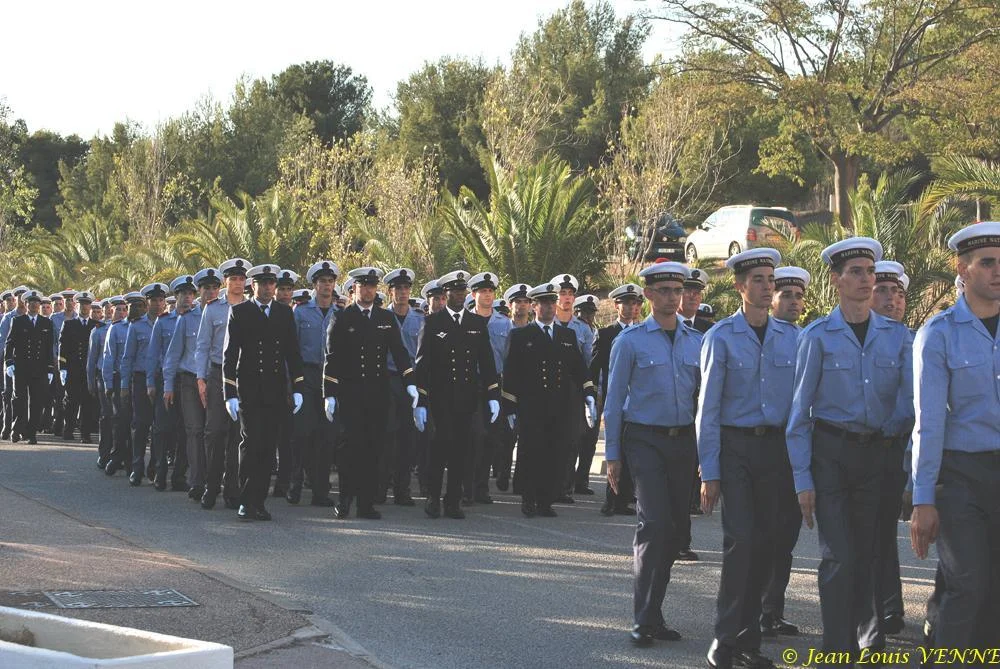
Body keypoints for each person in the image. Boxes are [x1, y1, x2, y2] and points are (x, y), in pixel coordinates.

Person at [786, 237, 913, 662]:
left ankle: (870, 634)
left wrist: (890, 438)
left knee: (872, 550)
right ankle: (837, 646)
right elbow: (799, 414)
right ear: (837, 280)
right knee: (837, 554)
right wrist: (803, 479)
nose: (865, 280)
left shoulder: (897, 337)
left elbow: (910, 402)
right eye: (855, 272)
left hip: (877, 456)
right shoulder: (818, 336)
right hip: (832, 454)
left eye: (869, 272)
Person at [698, 248, 798, 669]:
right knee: (741, 541)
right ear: (740, 287)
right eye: (757, 279)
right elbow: (708, 410)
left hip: (777, 452)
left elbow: (801, 405)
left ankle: (749, 639)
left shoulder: (794, 337)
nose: (766, 286)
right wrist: (710, 471)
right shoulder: (720, 336)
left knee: (769, 545)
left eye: (769, 279)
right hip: (736, 448)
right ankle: (724, 640)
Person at [911, 221, 1000, 654]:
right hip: (960, 475)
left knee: (995, 591)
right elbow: (928, 422)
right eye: (987, 263)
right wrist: (923, 499)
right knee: (968, 584)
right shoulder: (938, 334)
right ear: (961, 269)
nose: (997, 271)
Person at [603, 261, 702, 646]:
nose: (672, 298)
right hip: (644, 440)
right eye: (663, 291)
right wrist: (612, 456)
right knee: (655, 523)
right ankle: (643, 618)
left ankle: (654, 613)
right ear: (647, 295)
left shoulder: (696, 341)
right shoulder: (629, 342)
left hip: (683, 442)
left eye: (677, 291)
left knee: (676, 531)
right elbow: (613, 403)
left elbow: (706, 402)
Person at [323, 267, 416, 520]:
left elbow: (399, 351)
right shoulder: (342, 318)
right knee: (349, 449)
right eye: (363, 286)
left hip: (378, 392)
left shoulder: (386, 318)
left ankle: (366, 503)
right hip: (350, 392)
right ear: (354, 289)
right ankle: (344, 500)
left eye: (372, 286)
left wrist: (410, 380)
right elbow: (332, 358)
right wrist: (329, 393)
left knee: (374, 448)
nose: (368, 291)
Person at [504, 281, 596, 517]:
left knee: (556, 453)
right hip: (532, 406)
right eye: (543, 304)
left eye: (551, 303)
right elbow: (512, 372)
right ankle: (529, 498)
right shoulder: (522, 335)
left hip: (559, 404)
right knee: (531, 452)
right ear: (535, 306)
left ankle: (546, 500)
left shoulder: (566, 335)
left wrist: (589, 394)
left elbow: (578, 367)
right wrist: (510, 405)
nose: (548, 308)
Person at [413, 270, 500, 520]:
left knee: (462, 451)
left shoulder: (476, 324)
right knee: (440, 448)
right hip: (440, 399)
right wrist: (420, 400)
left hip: (467, 398)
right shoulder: (433, 323)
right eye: (454, 291)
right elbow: (422, 365)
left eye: (462, 291)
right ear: (446, 294)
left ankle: (453, 500)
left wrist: (493, 395)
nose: (459, 295)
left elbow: (486, 362)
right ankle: (433, 497)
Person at [223, 263, 304, 521]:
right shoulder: (240, 312)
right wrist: (230, 393)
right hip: (249, 390)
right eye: (263, 283)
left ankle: (259, 500)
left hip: (275, 390)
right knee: (251, 444)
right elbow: (230, 355)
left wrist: (299, 387)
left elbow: (292, 352)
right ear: (253, 285)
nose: (268, 287)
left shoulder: (284, 313)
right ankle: (245, 500)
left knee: (269, 448)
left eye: (272, 283)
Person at [760, 266, 810, 638]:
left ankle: (772, 610)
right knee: (760, 534)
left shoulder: (808, 338)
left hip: (796, 448)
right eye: (786, 295)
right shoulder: (760, 336)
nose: (794, 302)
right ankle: (752, 608)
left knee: (786, 536)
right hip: (763, 445)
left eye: (798, 296)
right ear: (772, 298)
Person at [864, 261, 912, 643]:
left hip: (894, 446)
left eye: (898, 293)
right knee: (867, 533)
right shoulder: (858, 336)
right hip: (858, 447)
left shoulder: (911, 339)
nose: (892, 300)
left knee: (882, 531)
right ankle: (877, 607)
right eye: (884, 291)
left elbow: (911, 401)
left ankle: (889, 606)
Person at [196, 257, 249, 511]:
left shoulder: (251, 308)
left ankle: (232, 489)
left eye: (241, 279)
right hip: (217, 375)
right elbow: (202, 346)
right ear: (225, 282)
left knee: (237, 435)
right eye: (233, 279)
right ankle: (211, 486)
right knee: (214, 432)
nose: (237, 283)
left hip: (242, 377)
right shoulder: (213, 309)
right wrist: (200, 378)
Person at [288, 260, 340, 507]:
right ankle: (294, 483)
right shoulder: (300, 312)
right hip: (306, 377)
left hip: (330, 379)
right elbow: (292, 350)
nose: (326, 286)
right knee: (302, 434)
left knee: (326, 436)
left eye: (330, 282)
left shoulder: (339, 313)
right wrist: (293, 384)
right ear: (315, 285)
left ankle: (320, 491)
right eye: (322, 282)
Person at [163, 269, 217, 502]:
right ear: (200, 293)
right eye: (206, 289)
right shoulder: (186, 319)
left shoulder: (224, 313)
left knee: (214, 432)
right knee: (194, 431)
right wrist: (167, 385)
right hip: (189, 380)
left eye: (214, 287)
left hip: (215, 380)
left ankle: (214, 478)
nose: (210, 292)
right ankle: (197, 481)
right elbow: (173, 355)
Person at [464, 271, 512, 505]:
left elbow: (510, 358)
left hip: (496, 384)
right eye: (483, 291)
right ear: (474, 295)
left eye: (491, 291)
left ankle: (481, 488)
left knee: (491, 437)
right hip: (469, 383)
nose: (487, 295)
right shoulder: (464, 320)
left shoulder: (505, 323)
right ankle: (467, 486)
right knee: (472, 436)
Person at [594, 283, 642, 517]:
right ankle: (610, 499)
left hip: (635, 400)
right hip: (614, 397)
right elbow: (595, 369)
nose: (631, 307)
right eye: (626, 303)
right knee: (613, 450)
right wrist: (593, 397)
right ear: (616, 305)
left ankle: (625, 499)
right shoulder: (605, 334)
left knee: (630, 451)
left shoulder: (643, 333)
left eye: (634, 303)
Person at [549, 273, 593, 505]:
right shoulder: (547, 324)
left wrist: (589, 394)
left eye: (570, 294)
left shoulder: (583, 329)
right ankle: (548, 483)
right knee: (550, 437)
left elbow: (588, 363)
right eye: (562, 294)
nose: (566, 298)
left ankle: (565, 486)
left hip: (573, 390)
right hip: (549, 388)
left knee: (572, 439)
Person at [381, 267, 423, 506]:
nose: (403, 292)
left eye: (406, 288)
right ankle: (380, 487)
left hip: (411, 383)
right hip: (386, 379)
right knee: (386, 435)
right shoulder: (381, 317)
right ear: (390, 292)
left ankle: (402, 489)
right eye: (398, 288)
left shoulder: (419, 319)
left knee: (408, 437)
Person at [121, 283, 168, 486]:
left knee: (160, 426)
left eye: (160, 301)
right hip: (140, 379)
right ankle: (137, 466)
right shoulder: (136, 326)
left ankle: (156, 468)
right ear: (146, 303)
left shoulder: (170, 322)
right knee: (140, 424)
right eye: (153, 301)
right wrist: (124, 384)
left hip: (163, 378)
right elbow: (128, 357)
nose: (157, 305)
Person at [147, 276, 191, 492]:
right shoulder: (163, 322)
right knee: (163, 428)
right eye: (183, 294)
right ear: (177, 297)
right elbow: (153, 354)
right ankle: (160, 470)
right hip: (165, 379)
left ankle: (180, 475)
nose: (187, 298)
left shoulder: (197, 318)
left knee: (185, 429)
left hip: (187, 380)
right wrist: (150, 383)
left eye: (191, 294)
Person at [4, 290, 55, 445]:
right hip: (21, 367)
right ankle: (16, 429)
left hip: (39, 369)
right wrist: (9, 362)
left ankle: (31, 433)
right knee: (19, 400)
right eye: (30, 303)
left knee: (37, 401)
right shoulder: (18, 321)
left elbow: (48, 348)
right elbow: (9, 343)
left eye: (36, 303)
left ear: (39, 305)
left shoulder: (46, 323)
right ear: (25, 305)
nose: (34, 305)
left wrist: (50, 368)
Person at [103, 292, 144, 475]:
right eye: (131, 306)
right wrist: (108, 384)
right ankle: (117, 456)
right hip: (121, 379)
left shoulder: (146, 326)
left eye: (137, 306)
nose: (134, 309)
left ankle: (134, 462)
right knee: (121, 421)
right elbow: (109, 357)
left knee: (138, 423)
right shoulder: (117, 328)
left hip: (141, 378)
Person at [57, 291, 97, 443]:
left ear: (90, 306)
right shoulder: (68, 324)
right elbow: (62, 347)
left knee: (88, 402)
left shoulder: (96, 325)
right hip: (73, 369)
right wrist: (63, 368)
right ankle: (68, 430)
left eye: (87, 304)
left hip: (88, 370)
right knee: (71, 402)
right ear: (76, 305)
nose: (84, 307)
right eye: (81, 304)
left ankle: (85, 434)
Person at [572, 293, 600, 496]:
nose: (588, 316)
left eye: (591, 312)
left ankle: (582, 480)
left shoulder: (596, 331)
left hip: (596, 388)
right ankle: (568, 481)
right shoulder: (574, 328)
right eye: (584, 312)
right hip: (578, 387)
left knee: (590, 439)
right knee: (575, 436)